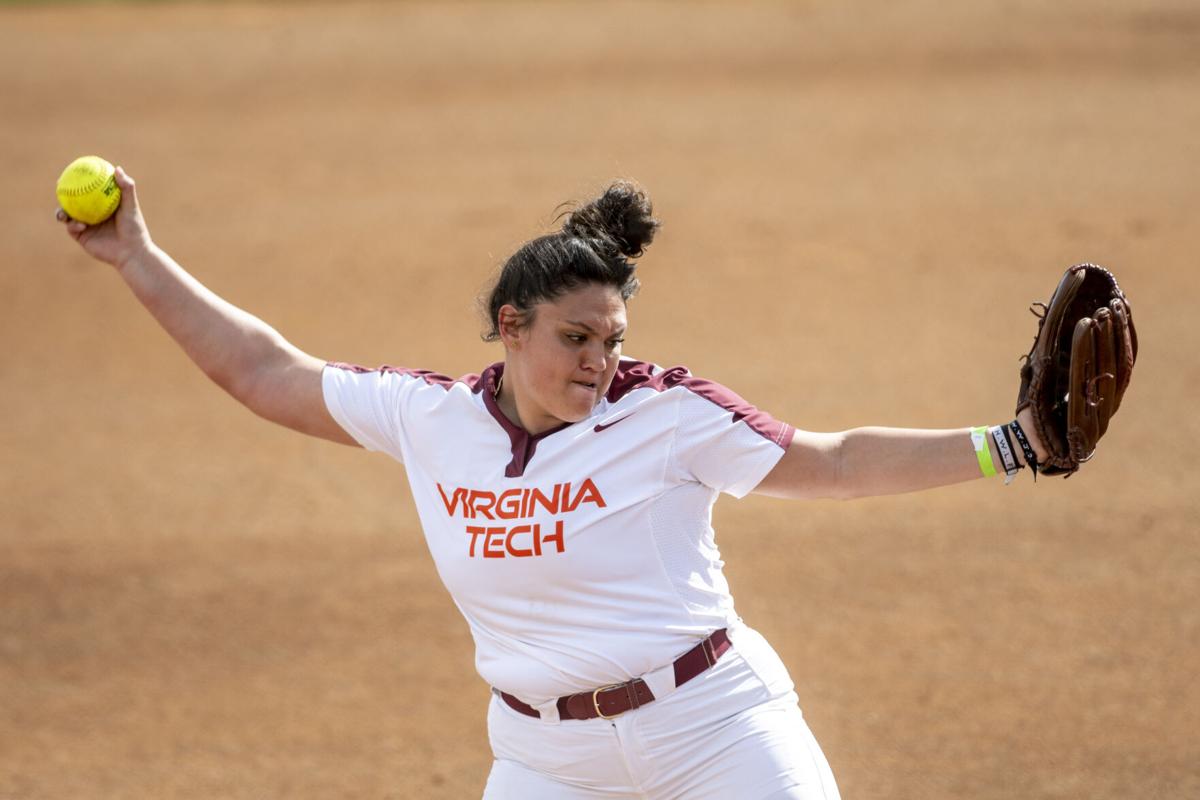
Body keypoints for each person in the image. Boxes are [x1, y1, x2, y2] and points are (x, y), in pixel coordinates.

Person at [58, 169, 1049, 800]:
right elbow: (261, 371)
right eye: (575, 339)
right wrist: (136, 257)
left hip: (714, 729)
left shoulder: (665, 412)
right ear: (510, 324)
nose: (597, 362)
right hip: (546, 762)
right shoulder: (430, 417)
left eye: (612, 340)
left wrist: (1010, 443)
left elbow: (830, 462)